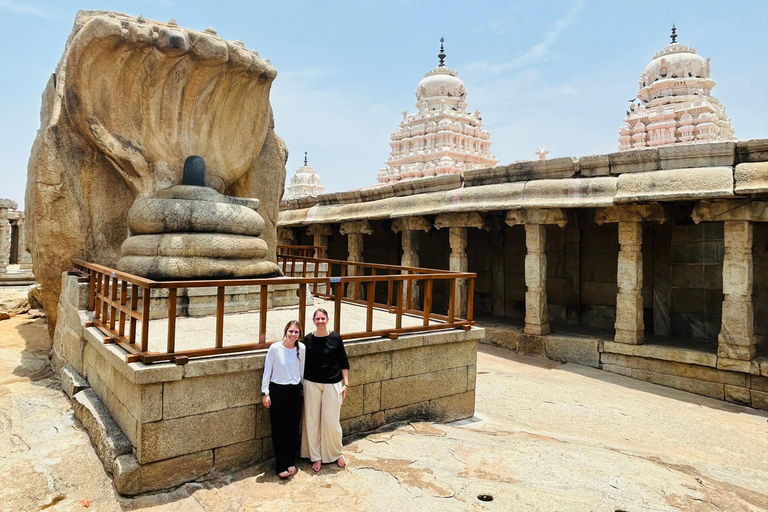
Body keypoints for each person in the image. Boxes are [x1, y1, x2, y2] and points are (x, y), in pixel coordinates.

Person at [301, 308, 350, 472]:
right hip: (312, 383)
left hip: (333, 383)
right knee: (312, 421)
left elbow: (343, 361)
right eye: (317, 319)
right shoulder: (307, 340)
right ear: (313, 320)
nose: (320, 321)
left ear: (327, 319)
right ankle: (316, 456)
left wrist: (346, 384)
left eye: (323, 318)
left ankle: (336, 453)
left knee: (331, 421)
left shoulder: (335, 338)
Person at [261, 320, 306, 478]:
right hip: (278, 389)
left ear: (299, 334)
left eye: (296, 332)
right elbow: (268, 370)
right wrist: (265, 392)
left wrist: (302, 390)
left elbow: (301, 372)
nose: (293, 335)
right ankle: (281, 465)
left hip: (294, 390)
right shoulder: (275, 348)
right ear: (286, 331)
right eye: (291, 331)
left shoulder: (302, 349)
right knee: (279, 428)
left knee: (293, 428)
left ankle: (290, 461)